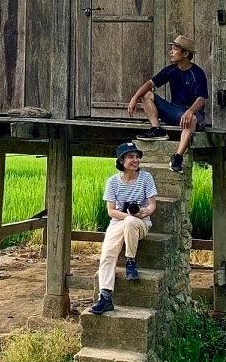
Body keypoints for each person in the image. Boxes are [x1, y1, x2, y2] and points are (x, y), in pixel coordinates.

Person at [88, 142, 158, 315]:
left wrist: (144, 212)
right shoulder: (112, 182)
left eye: (137, 156)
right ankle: (105, 296)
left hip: (141, 223)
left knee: (130, 222)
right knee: (107, 252)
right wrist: (128, 214)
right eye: (130, 157)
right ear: (121, 160)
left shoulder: (146, 178)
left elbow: (152, 205)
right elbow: (111, 211)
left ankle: (130, 261)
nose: (135, 160)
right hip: (119, 221)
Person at [127, 34, 208, 173]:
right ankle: (157, 129)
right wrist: (134, 98)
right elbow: (150, 83)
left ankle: (177, 157)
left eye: (175, 49)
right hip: (174, 111)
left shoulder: (197, 73)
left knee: (192, 119)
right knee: (147, 94)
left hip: (191, 114)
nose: (171, 52)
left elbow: (201, 99)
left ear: (185, 54)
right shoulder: (171, 70)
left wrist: (190, 111)